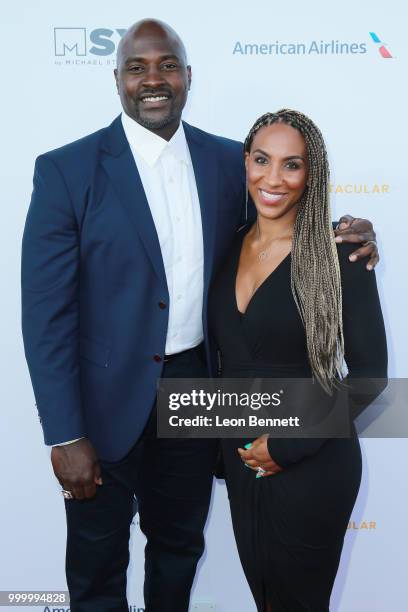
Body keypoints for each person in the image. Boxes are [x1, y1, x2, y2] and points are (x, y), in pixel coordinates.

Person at [21, 18, 379, 612]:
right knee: (96, 562)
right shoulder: (66, 170)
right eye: (138, 67)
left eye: (167, 66)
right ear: (117, 79)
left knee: (179, 548)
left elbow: (285, 217)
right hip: (102, 405)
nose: (153, 79)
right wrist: (64, 433)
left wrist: (354, 234)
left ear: (189, 77)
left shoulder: (225, 162)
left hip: (199, 395)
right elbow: (45, 314)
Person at [209, 109, 388, 612]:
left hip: (310, 463)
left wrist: (286, 446)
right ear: (245, 162)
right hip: (242, 459)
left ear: (313, 174)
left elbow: (371, 379)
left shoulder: (339, 252)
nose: (273, 178)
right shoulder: (227, 244)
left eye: (292, 165)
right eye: (262, 160)